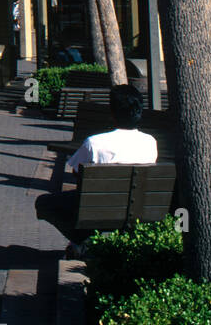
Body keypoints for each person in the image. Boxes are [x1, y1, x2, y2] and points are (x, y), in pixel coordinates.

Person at [35, 84, 157, 253]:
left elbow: (76, 173)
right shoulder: (150, 142)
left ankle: (85, 241)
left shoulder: (94, 142)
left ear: (112, 112)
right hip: (135, 209)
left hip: (96, 210)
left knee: (44, 203)